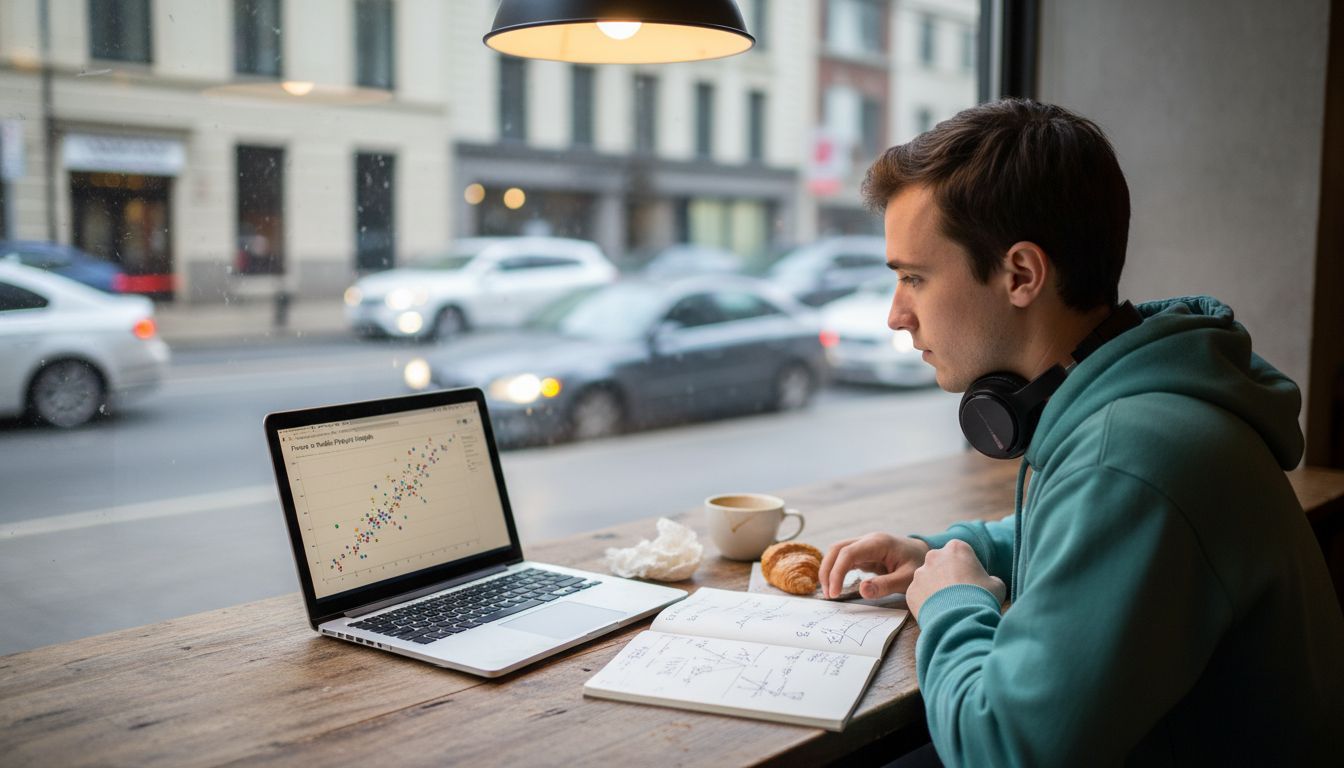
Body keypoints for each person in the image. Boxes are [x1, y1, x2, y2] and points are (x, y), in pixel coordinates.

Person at [818, 99, 1344, 765]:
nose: (898, 316)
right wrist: (938, 549)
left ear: (1021, 275)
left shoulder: (1128, 458)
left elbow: (1003, 751)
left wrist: (951, 603)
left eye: (914, 279)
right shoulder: (1139, 404)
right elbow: (1075, 534)